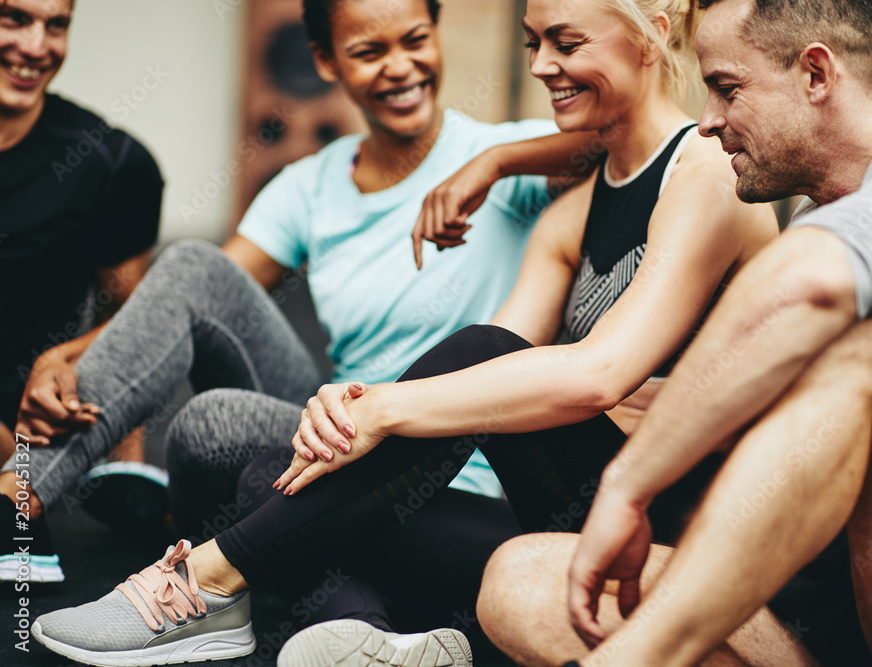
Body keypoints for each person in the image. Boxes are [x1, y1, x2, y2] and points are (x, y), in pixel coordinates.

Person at [28, 0, 792, 665]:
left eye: (566, 41)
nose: (544, 65)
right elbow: (490, 381)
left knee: (467, 363)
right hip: (556, 519)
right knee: (275, 476)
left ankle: (205, 582)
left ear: (653, 35)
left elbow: (592, 374)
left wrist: (382, 409)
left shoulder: (706, 171)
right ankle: (375, 642)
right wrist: (352, 409)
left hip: (664, 527)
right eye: (533, 44)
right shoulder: (569, 216)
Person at [1, 0, 581, 606]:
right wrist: (67, 354)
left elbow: (619, 134)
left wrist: (490, 165)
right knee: (197, 284)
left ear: (436, 35)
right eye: (368, 51)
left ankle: (203, 536)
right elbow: (182, 298)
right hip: (338, 437)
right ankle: (16, 501)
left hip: (456, 465)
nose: (400, 66)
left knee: (211, 437)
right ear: (326, 62)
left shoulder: (511, 156)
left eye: (415, 40)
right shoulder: (312, 183)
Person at [476, 0, 872, 665]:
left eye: (727, 88)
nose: (708, 120)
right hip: (847, 600)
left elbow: (812, 286)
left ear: (816, 74)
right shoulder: (813, 220)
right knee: (517, 581)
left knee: (870, 343)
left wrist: (627, 484)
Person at [0, 0, 164, 582]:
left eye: (57, 23)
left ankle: (18, 504)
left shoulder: (110, 162)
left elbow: (134, 317)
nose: (37, 46)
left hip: (33, 423)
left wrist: (126, 467)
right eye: (13, 17)